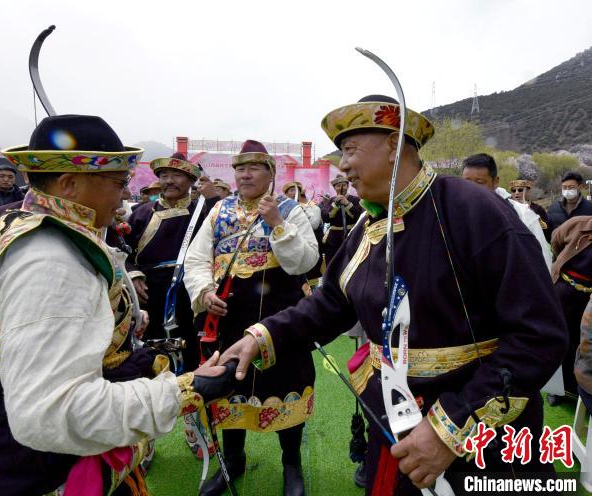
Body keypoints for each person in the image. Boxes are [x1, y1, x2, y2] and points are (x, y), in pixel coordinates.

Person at [220, 95, 567, 495]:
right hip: (392, 420)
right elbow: (330, 303)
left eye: (350, 150)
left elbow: (539, 336)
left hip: (482, 435)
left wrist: (448, 429)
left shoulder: (475, 211)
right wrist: (262, 335)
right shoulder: (369, 226)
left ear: (393, 143)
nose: (343, 164)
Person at [0, 115, 234, 496]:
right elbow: (52, 412)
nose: (124, 196)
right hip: (20, 468)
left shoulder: (19, 224)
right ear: (70, 184)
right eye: (118, 183)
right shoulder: (49, 259)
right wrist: (187, 390)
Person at [184, 139, 319, 496]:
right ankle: (233, 460)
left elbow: (305, 262)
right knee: (229, 386)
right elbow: (197, 259)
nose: (244, 174)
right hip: (229, 318)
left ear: (270, 174)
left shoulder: (290, 209)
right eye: (239, 168)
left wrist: (276, 223)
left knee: (286, 382)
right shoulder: (219, 210)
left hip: (280, 317)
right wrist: (204, 292)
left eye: (253, 168)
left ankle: (290, 463)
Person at [124, 152, 219, 372]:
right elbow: (122, 251)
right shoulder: (141, 214)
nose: (168, 181)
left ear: (191, 181)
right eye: (164, 175)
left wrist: (214, 198)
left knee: (192, 351)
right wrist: (133, 274)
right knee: (151, 355)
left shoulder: (204, 211)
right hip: (150, 293)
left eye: (176, 175)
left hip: (190, 292)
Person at [462, 153, 551, 270]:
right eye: (466, 182)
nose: (471, 188)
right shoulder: (452, 214)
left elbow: (542, 261)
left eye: (479, 182)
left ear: (495, 181)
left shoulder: (523, 215)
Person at [550, 215, 592, 405]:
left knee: (581, 343)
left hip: (589, 300)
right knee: (558, 339)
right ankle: (554, 389)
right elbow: (556, 241)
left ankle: (576, 389)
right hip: (565, 291)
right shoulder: (578, 224)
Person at [283, 180, 323, 288]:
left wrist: (302, 211)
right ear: (285, 194)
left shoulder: (311, 207)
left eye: (295, 190)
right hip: (289, 246)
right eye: (290, 191)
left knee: (311, 273)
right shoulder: (280, 209)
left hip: (307, 245)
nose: (293, 193)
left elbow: (314, 225)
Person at [321, 174, 361, 265]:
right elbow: (325, 217)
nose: (341, 187)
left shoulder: (355, 200)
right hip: (333, 238)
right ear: (335, 188)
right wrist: (335, 205)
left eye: (344, 185)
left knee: (351, 262)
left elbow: (358, 216)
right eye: (338, 186)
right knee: (333, 262)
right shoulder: (330, 201)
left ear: (347, 186)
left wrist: (347, 203)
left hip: (352, 235)